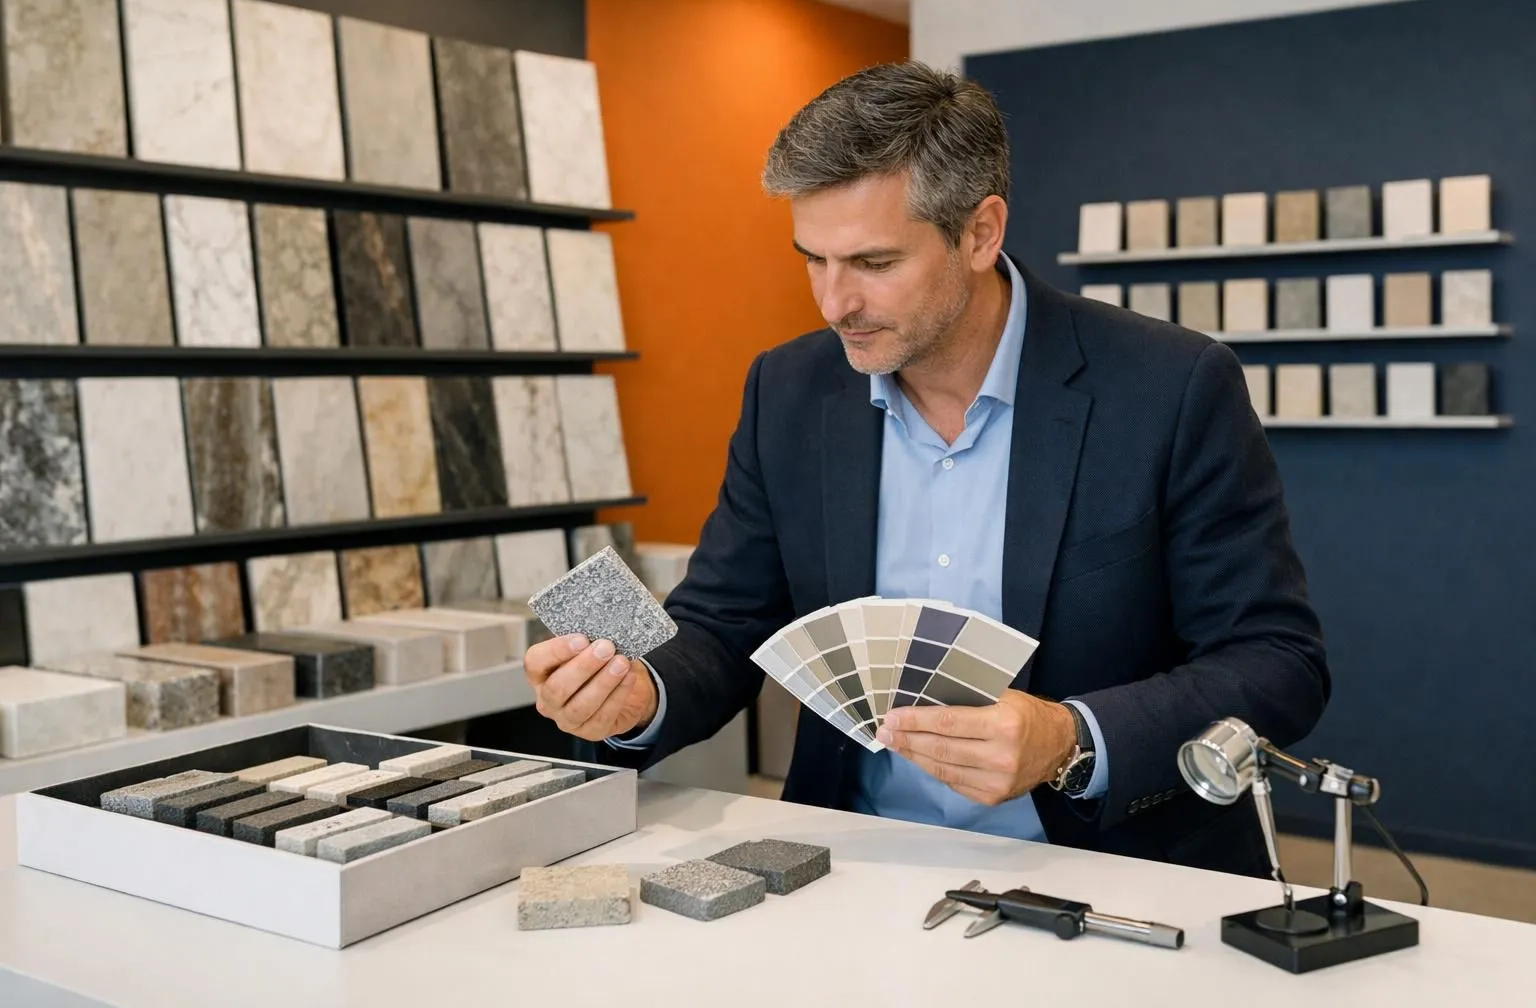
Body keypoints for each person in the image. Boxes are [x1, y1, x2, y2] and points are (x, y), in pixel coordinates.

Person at [524, 60, 1329, 877]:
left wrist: (1070, 738)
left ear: (980, 232)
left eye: (873, 264)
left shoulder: (1171, 386)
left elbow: (1275, 660)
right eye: (813, 259)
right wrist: (641, 698)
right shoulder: (789, 389)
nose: (835, 303)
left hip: (1110, 871)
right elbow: (725, 622)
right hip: (852, 872)